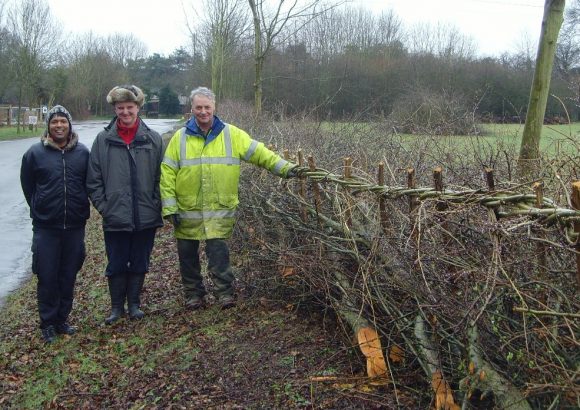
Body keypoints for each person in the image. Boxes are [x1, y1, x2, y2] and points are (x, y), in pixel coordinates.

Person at [160, 86, 299, 310]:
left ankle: (224, 293)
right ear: (192, 109)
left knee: (219, 254)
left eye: (207, 107)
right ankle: (193, 295)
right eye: (198, 107)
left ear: (214, 108)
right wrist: (169, 207)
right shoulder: (179, 138)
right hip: (187, 210)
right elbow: (167, 173)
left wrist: (287, 168)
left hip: (219, 210)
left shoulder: (232, 134)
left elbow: (261, 154)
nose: (203, 111)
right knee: (187, 257)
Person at [86, 85, 164, 325]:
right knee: (117, 261)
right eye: (120, 108)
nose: (125, 112)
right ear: (115, 109)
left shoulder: (153, 139)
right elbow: (93, 179)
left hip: (146, 215)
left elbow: (164, 176)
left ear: (138, 108)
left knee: (140, 260)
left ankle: (135, 305)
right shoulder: (103, 140)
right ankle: (116, 308)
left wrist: (156, 202)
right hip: (115, 216)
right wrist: (105, 207)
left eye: (130, 107)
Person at [20, 105, 90, 343]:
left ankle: (62, 320)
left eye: (63, 121)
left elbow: (88, 184)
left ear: (70, 125)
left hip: (74, 226)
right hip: (46, 228)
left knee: (68, 275)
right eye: (54, 122)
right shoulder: (34, 154)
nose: (59, 125)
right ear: (48, 125)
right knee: (47, 276)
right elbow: (28, 186)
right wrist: (40, 208)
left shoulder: (82, 153)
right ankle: (47, 324)